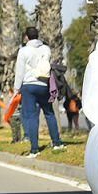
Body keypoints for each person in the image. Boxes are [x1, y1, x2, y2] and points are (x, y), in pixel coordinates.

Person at [12, 26, 65, 157]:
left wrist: (16, 88)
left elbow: (20, 71)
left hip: (29, 85)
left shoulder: (23, 51)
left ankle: (34, 149)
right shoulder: (46, 49)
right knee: (49, 113)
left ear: (26, 37)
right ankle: (57, 142)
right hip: (44, 84)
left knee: (31, 116)